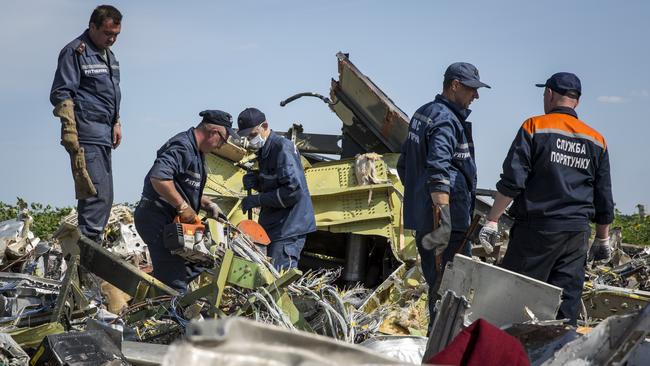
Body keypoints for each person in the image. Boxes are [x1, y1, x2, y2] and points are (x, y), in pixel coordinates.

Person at [478, 72, 614, 325]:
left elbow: (513, 181)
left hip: (537, 232)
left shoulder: (534, 127)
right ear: (577, 101)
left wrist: (492, 220)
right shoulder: (597, 140)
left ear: (549, 94)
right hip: (576, 235)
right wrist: (603, 238)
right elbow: (603, 195)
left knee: (515, 300)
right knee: (565, 308)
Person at [397, 62, 490, 328]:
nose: (476, 96)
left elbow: (406, 164)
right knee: (451, 290)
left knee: (439, 286)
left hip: (430, 219)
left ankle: (439, 343)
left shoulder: (424, 113)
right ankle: (444, 347)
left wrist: (421, 201)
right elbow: (439, 170)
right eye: (472, 89)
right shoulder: (446, 120)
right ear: (455, 85)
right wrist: (443, 218)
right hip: (446, 226)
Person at [134, 110, 233, 292]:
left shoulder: (197, 152)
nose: (220, 146)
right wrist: (182, 206)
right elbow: (160, 178)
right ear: (214, 132)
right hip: (156, 219)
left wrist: (207, 204)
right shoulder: (183, 146)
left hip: (170, 222)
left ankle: (155, 289)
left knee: (204, 260)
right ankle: (168, 308)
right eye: (223, 141)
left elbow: (182, 186)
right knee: (175, 284)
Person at [50, 5, 123, 242]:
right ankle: (87, 264)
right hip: (87, 134)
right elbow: (62, 93)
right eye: (107, 33)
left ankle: (89, 256)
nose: (111, 39)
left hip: (104, 134)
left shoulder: (109, 56)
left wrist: (116, 122)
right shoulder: (76, 52)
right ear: (93, 27)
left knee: (106, 197)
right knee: (95, 197)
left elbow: (108, 94)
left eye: (116, 35)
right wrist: (70, 130)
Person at [237, 108, 316, 271]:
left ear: (264, 126)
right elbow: (276, 183)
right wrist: (258, 181)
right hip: (276, 226)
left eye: (252, 135)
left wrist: (258, 199)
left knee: (278, 281)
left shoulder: (282, 149)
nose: (250, 141)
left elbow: (292, 192)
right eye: (247, 137)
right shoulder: (266, 150)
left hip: (288, 228)